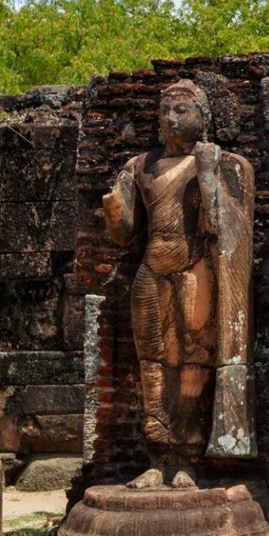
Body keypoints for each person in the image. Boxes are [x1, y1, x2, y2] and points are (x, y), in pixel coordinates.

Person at [102, 79, 255, 489]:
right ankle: (157, 455)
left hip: (195, 270)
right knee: (151, 364)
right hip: (152, 270)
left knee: (193, 363)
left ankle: (187, 457)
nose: (171, 118)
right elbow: (126, 234)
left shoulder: (225, 163)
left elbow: (230, 230)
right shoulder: (141, 166)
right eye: (165, 110)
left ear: (204, 117)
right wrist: (114, 208)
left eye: (182, 109)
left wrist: (208, 174)